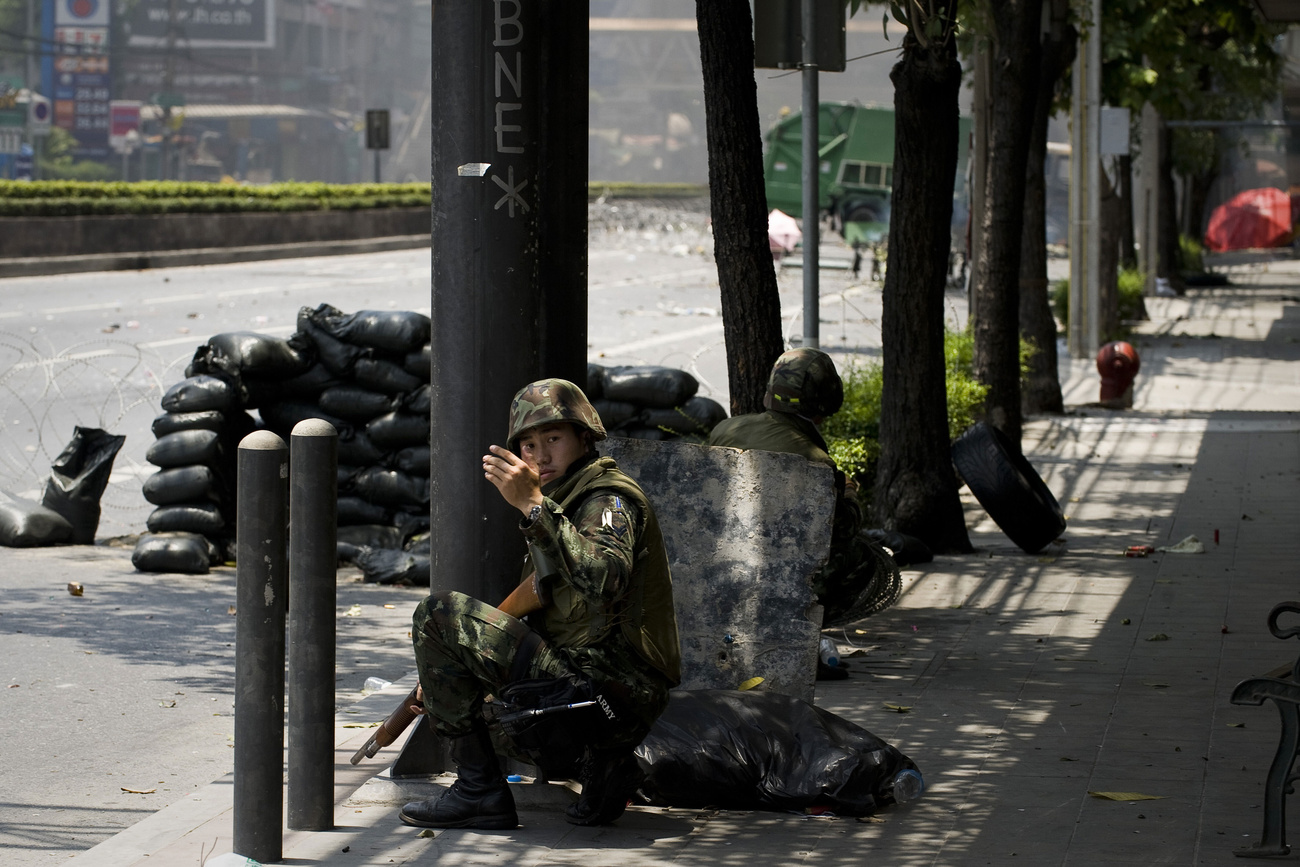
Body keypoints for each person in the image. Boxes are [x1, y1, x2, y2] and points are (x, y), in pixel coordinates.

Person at [399, 378, 681, 831]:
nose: (540, 456)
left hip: (608, 692)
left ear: (584, 438)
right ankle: (604, 767)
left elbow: (605, 580)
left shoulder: (606, 498)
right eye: (528, 445)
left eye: (553, 439)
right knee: (458, 699)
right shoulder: (565, 499)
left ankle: (479, 793)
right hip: (595, 690)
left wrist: (533, 507)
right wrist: (445, 682)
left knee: (437, 617)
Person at [707, 349, 901, 664]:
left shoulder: (725, 430)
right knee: (864, 558)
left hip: (719, 567)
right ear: (825, 401)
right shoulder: (815, 460)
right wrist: (849, 493)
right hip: (779, 579)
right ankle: (801, 625)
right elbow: (841, 529)